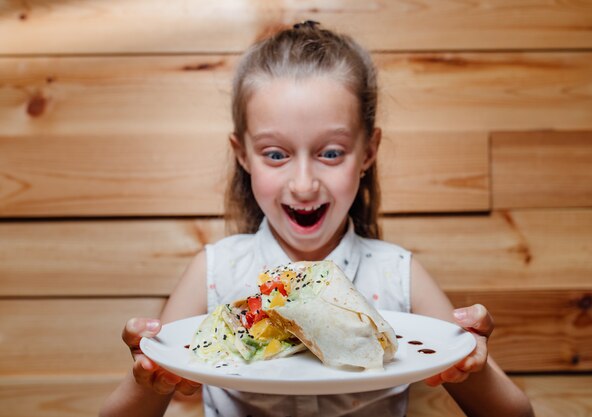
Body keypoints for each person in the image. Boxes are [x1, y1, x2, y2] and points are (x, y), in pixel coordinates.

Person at [100, 21, 534, 417]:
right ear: (243, 155)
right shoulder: (216, 272)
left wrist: (473, 364)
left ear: (367, 153)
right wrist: (148, 379)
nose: (304, 184)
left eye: (330, 153)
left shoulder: (398, 274)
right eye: (276, 154)